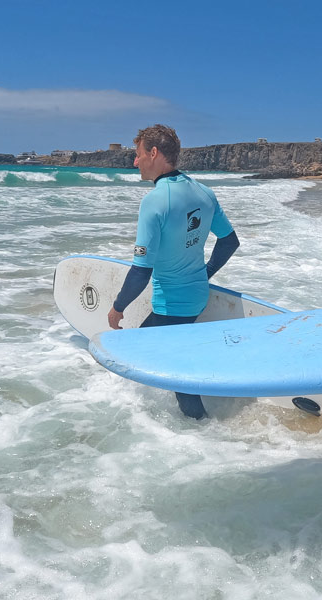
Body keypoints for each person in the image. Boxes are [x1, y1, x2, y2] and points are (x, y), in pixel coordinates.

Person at [107, 124, 240, 419]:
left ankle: (199, 428)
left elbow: (141, 271)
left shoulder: (155, 201)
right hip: (197, 295)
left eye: (139, 154)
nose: (135, 162)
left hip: (172, 304)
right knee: (159, 356)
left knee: (150, 359)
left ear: (153, 153)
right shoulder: (203, 193)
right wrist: (204, 274)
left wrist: (117, 308)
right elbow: (230, 241)